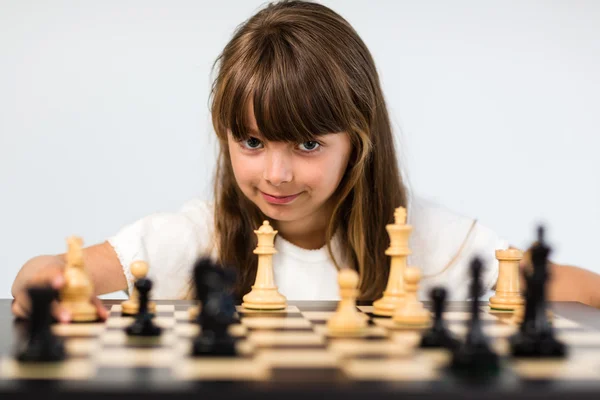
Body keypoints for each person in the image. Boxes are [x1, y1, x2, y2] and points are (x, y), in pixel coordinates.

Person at [11, 0, 600, 322]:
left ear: (359, 140)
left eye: (309, 145)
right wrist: (49, 287)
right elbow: (43, 271)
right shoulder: (197, 238)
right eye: (252, 142)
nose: (276, 174)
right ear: (224, 136)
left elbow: (579, 290)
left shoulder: (426, 238)